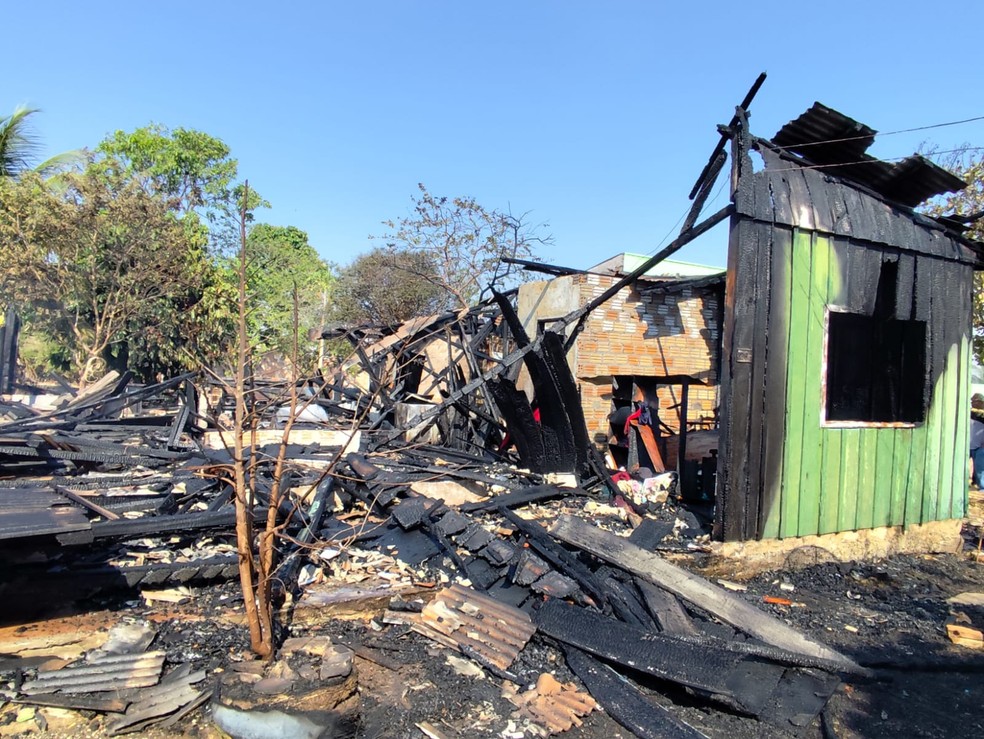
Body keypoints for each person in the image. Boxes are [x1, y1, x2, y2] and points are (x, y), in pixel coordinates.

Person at [970, 394, 984, 488]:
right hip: (967, 445)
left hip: (980, 446)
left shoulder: (981, 414)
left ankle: (982, 488)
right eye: (972, 401)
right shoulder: (969, 413)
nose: (973, 403)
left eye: (975, 401)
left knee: (980, 468)